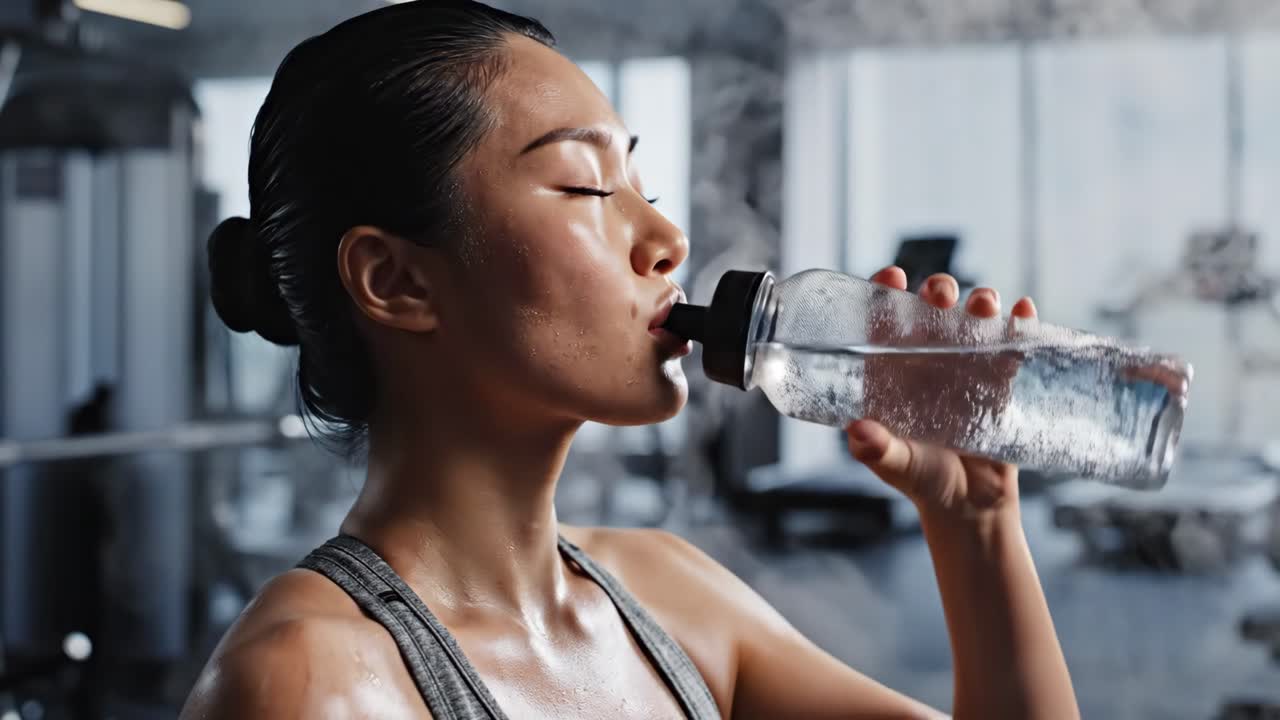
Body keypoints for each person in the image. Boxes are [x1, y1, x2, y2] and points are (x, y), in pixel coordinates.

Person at [180, 1, 1080, 718]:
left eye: (646, 191)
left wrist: (976, 522)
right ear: (398, 281)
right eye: (586, 186)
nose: (667, 239)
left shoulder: (666, 595)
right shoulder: (308, 683)